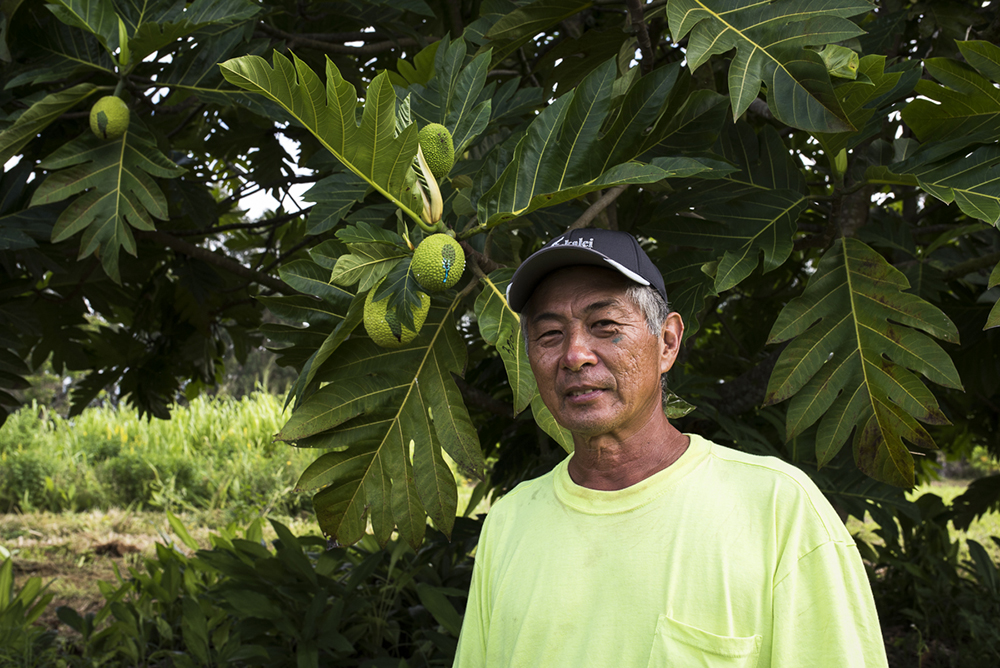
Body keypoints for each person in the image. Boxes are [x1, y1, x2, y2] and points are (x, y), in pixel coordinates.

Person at [452, 229, 888, 667]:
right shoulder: (509, 523)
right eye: (549, 334)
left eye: (605, 326)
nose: (575, 355)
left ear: (667, 343)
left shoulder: (779, 509)